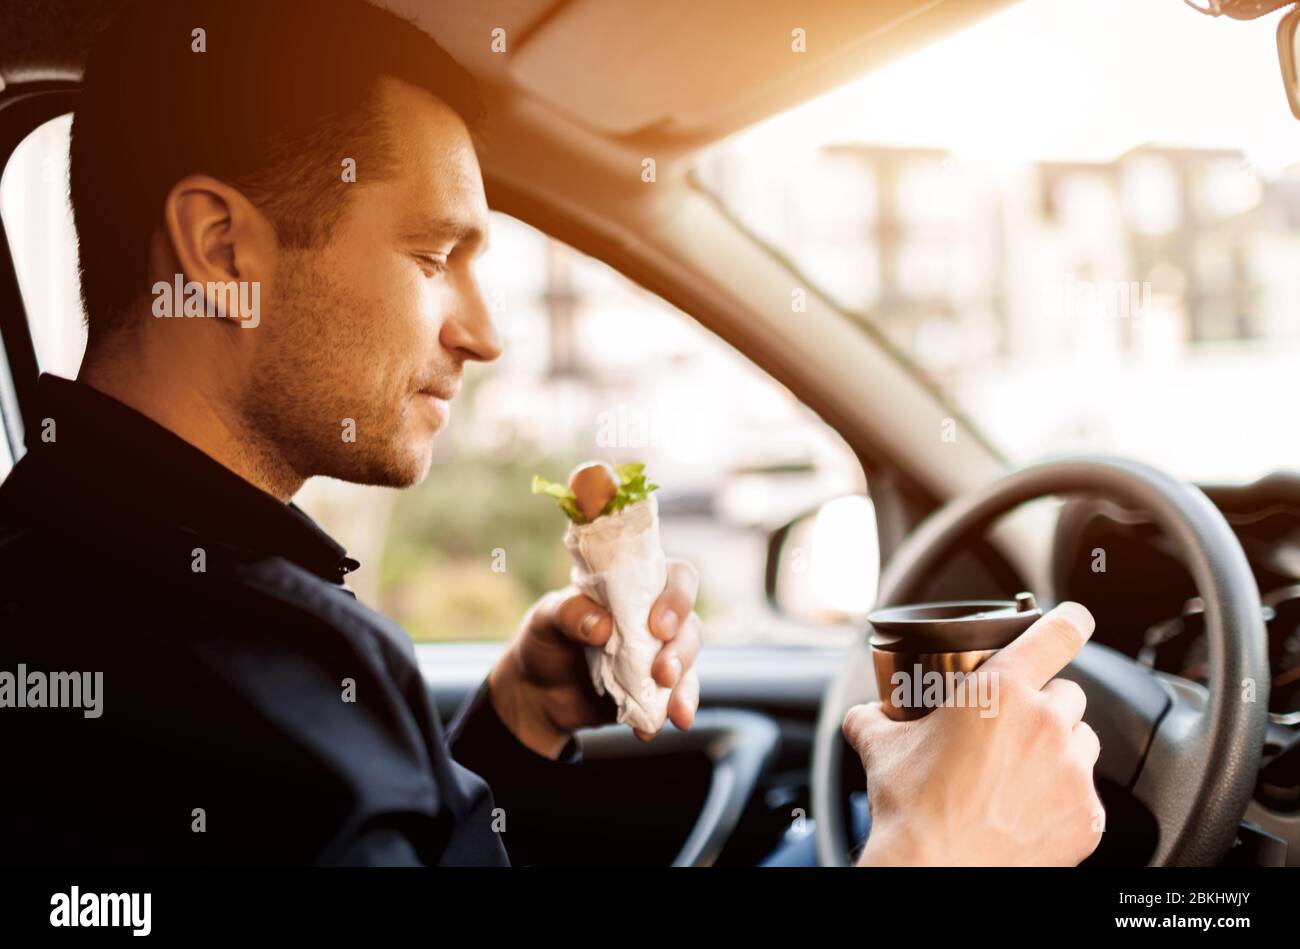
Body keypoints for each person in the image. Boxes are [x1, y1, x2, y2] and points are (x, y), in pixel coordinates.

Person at [0, 0, 1101, 866]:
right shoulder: (233, 664)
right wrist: (940, 851)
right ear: (221, 250)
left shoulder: (98, 582)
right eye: (433, 257)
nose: (484, 334)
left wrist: (516, 722)